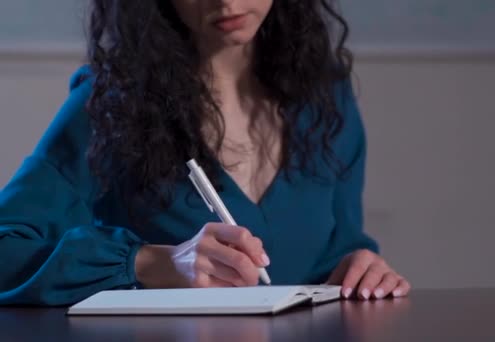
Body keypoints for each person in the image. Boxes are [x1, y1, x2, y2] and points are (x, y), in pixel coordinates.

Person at [0, 0, 410, 305]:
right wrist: (151, 263)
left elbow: (339, 249)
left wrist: (362, 267)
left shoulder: (325, 96)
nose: (227, 1)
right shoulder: (111, 104)